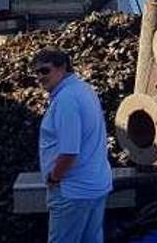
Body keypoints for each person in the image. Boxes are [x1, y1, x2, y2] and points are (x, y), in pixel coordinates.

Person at [35, 48, 112, 243]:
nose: (40, 77)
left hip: (72, 191)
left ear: (62, 68)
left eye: (45, 71)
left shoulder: (66, 100)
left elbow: (69, 152)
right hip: (94, 186)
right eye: (37, 72)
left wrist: (53, 178)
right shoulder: (84, 90)